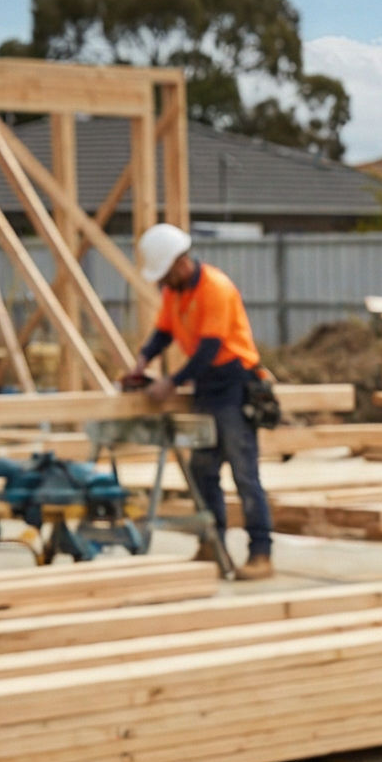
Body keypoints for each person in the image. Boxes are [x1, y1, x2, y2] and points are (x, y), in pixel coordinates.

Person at [126, 223, 277, 580]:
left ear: (180, 264)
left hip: (235, 381)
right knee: (203, 471)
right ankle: (212, 543)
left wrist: (172, 382)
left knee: (245, 473)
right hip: (209, 387)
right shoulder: (175, 294)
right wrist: (143, 360)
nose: (163, 284)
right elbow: (164, 331)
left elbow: (209, 349)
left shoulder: (215, 289)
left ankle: (261, 554)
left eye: (165, 276)